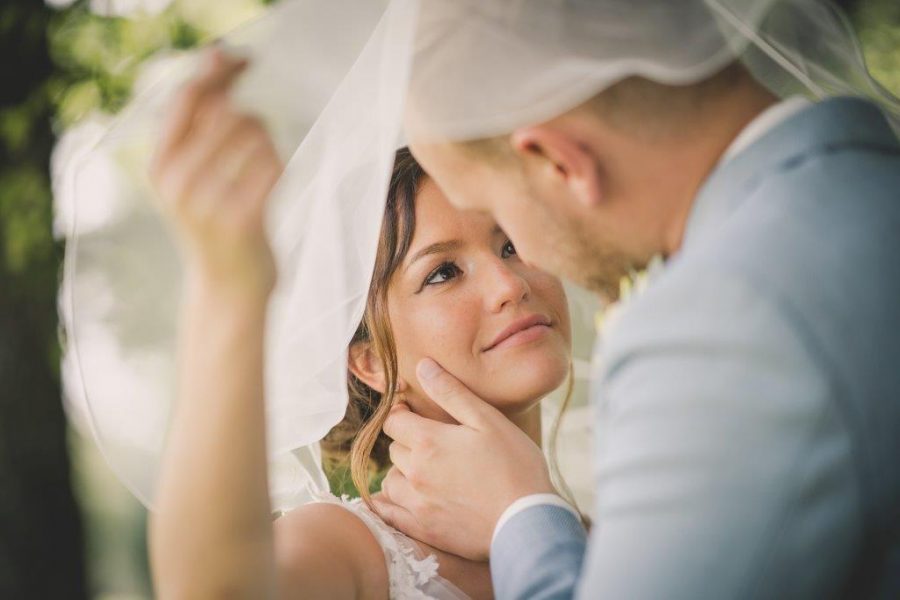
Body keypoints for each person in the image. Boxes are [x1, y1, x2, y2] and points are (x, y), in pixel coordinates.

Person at [374, 3, 900, 599]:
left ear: (559, 161)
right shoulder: (871, 189)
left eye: (502, 224)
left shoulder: (724, 319)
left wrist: (517, 514)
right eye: (445, 271)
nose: (516, 277)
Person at [146, 49, 582, 599]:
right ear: (370, 360)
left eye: (513, 243)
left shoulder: (604, 539)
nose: (508, 284)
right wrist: (228, 286)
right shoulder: (345, 551)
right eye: (444, 272)